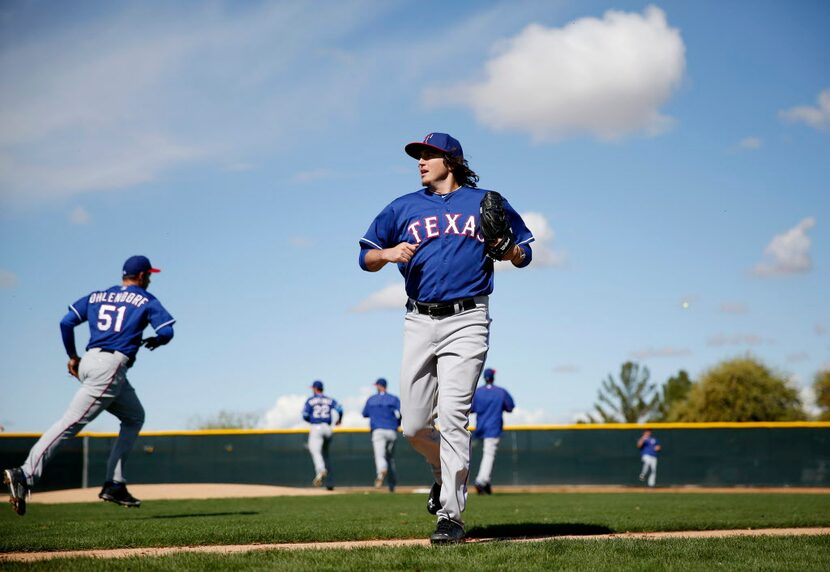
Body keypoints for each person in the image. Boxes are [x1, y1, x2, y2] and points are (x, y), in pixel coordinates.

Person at [358, 132, 534, 544]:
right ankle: (442, 474)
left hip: (468, 317)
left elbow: (523, 252)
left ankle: (451, 516)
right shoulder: (402, 207)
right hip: (418, 320)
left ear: (450, 161)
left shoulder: (484, 200)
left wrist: (508, 249)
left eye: (428, 155)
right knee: (414, 425)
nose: (420, 161)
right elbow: (364, 256)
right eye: (418, 156)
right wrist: (387, 254)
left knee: (454, 418)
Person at [3, 255, 175, 516]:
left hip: (90, 361)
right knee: (71, 423)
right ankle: (24, 474)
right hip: (111, 366)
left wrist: (72, 356)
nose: (149, 278)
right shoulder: (145, 299)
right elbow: (167, 331)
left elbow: (66, 321)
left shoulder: (98, 296)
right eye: (148, 275)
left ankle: (115, 483)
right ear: (141, 276)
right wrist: (158, 341)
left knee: (134, 417)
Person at [471, 368, 515, 495]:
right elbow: (510, 407)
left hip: (480, 428)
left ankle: (486, 483)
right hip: (493, 428)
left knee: (476, 454)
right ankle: (481, 481)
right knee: (489, 455)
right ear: (493, 377)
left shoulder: (478, 392)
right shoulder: (501, 392)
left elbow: (471, 409)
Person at [362, 378, 401, 491]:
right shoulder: (393, 398)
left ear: (379, 386)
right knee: (390, 458)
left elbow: (364, 414)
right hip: (392, 431)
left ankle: (381, 472)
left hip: (378, 431)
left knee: (380, 456)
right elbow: (402, 411)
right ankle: (392, 485)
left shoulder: (371, 399)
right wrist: (398, 422)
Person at [302, 380, 343, 489]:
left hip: (316, 427)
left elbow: (305, 415)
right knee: (325, 455)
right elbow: (340, 408)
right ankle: (330, 483)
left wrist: (312, 419)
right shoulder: (329, 399)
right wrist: (339, 420)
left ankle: (320, 470)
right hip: (328, 428)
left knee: (315, 451)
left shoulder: (310, 400)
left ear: (315, 389)